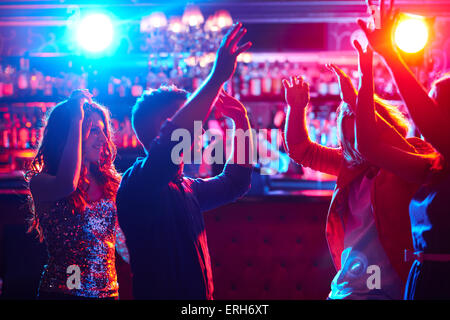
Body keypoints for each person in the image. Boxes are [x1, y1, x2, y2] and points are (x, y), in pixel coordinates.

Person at [115, 22, 254, 300]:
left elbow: (236, 182)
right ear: (166, 127)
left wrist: (241, 121)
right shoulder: (140, 182)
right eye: (192, 120)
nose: (201, 129)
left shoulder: (185, 187)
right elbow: (167, 148)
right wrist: (216, 78)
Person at [283, 50, 434, 298]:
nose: (358, 145)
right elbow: (301, 150)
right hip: (351, 287)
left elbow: (407, 158)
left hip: (393, 288)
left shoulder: (413, 153)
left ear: (385, 126)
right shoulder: (351, 164)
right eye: (350, 139)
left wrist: (355, 99)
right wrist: (297, 108)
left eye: (363, 135)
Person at [357, 0, 450, 299]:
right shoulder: (432, 164)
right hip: (422, 277)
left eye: (432, 101)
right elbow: (369, 147)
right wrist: (366, 75)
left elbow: (434, 125)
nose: (420, 111)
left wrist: (392, 56)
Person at [27, 89, 129, 300]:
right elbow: (67, 184)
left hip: (109, 295)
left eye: (103, 131)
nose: (103, 139)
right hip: (61, 295)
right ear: (68, 134)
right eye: (93, 130)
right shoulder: (40, 182)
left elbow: (118, 239)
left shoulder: (111, 182)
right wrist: (76, 118)